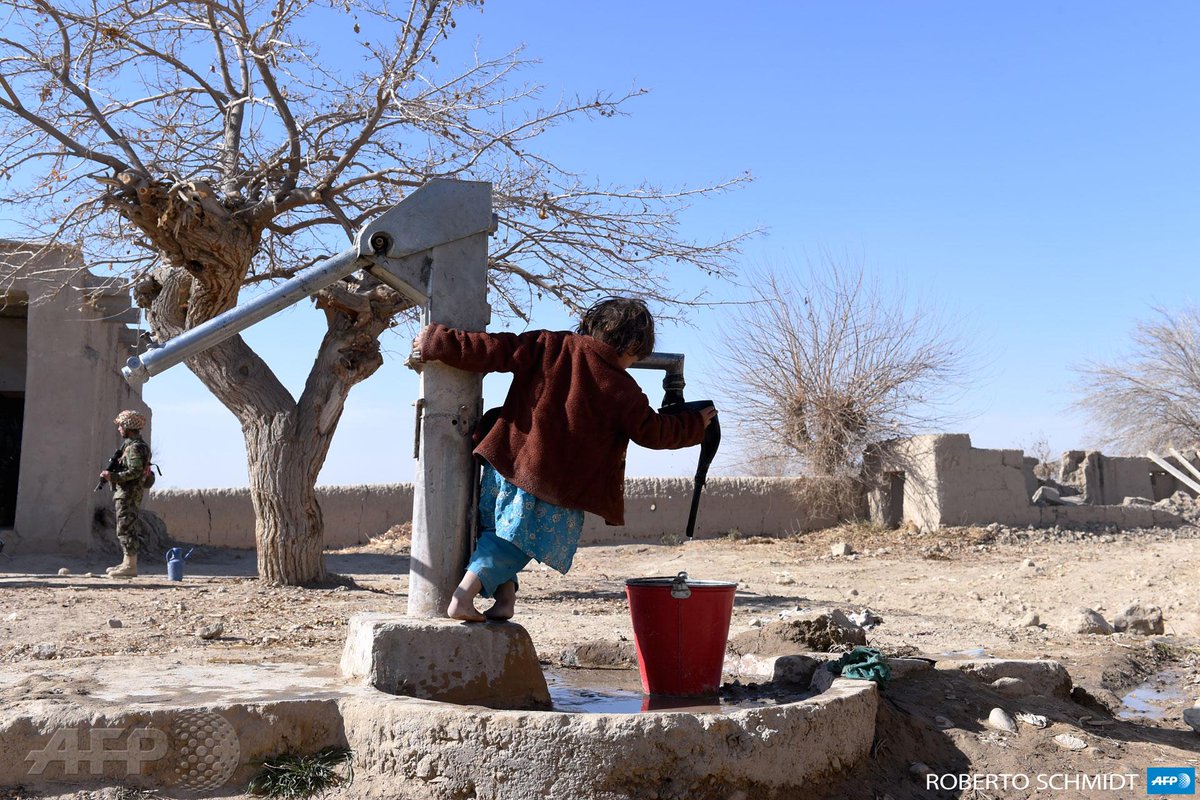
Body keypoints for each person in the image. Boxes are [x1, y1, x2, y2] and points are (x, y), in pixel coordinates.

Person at [411, 296, 717, 622]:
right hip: (551, 487)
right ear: (633, 347)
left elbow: (492, 349)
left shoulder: (549, 345)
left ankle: (504, 601)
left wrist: (437, 341)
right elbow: (654, 432)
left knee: (500, 534)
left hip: (506, 466)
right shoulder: (621, 387)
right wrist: (695, 425)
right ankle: (463, 598)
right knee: (512, 544)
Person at [99, 410, 150, 578]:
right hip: (128, 493)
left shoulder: (134, 448)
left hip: (128, 493)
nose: (119, 429)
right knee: (126, 527)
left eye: (121, 425)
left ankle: (130, 566)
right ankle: (127, 562)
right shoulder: (132, 446)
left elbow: (135, 471)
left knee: (125, 528)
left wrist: (112, 476)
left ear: (128, 427)